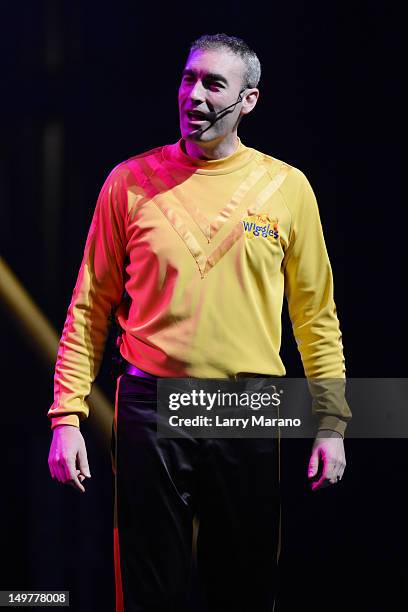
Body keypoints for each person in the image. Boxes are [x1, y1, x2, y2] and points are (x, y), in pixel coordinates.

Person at [48, 33, 352, 612]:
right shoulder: (129, 183)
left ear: (249, 100)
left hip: (248, 406)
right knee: (147, 591)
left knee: (243, 589)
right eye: (189, 79)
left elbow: (316, 316)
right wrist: (66, 418)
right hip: (151, 404)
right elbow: (88, 306)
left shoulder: (287, 188)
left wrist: (332, 424)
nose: (195, 94)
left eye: (214, 83)